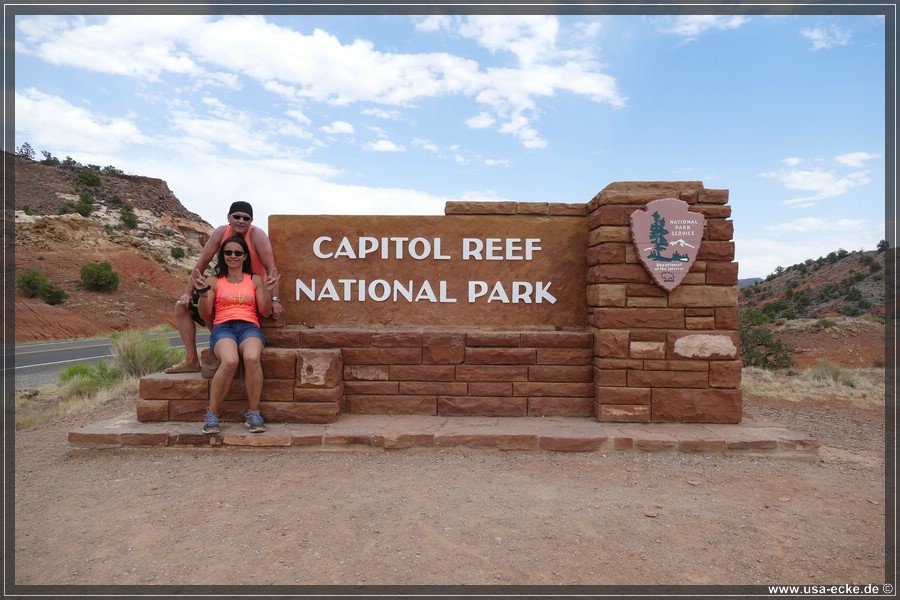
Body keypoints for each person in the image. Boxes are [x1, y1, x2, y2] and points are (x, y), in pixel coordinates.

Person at [166, 200, 284, 373]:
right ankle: (192, 360)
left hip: (251, 292)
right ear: (229, 217)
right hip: (225, 287)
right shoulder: (221, 232)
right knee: (182, 307)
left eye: (246, 218)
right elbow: (202, 263)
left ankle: (225, 342)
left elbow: (271, 269)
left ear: (251, 221)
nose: (241, 221)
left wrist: (274, 300)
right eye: (236, 216)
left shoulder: (257, 236)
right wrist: (187, 293)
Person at [194, 235, 280, 434]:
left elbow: (265, 312)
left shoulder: (255, 279)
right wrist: (203, 295)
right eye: (228, 252)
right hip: (223, 327)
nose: (233, 256)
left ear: (244, 256)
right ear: (222, 256)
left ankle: (253, 413)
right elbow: (205, 314)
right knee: (230, 361)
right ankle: (213, 415)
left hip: (249, 327)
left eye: (238, 253)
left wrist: (267, 291)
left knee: (251, 357)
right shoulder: (214, 281)